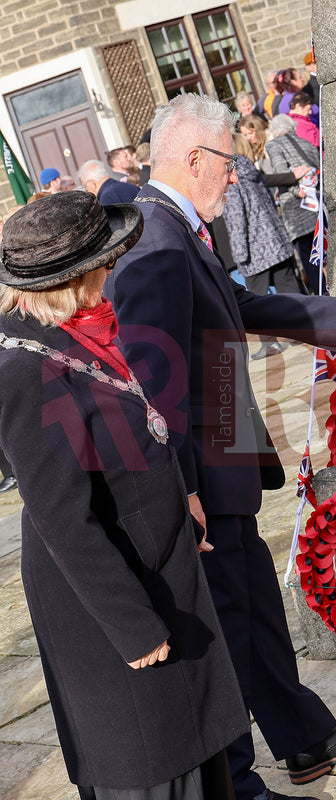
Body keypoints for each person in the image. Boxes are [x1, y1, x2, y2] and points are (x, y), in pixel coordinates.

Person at [105, 93, 336, 800]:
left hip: (224, 447)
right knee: (225, 620)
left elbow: (236, 308)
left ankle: (303, 737)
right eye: (230, 165)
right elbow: (154, 376)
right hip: (200, 461)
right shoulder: (153, 236)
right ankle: (236, 780)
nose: (236, 179)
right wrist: (181, 487)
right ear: (194, 157)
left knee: (254, 606)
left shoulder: (179, 227)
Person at [0, 191, 249, 800]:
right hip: (110, 601)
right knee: (152, 762)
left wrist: (178, 512)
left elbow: (124, 439)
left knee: (196, 749)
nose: (115, 272)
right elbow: (64, 519)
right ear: (72, 277)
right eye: (105, 263)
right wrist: (132, 626)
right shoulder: (22, 369)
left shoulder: (81, 328)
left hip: (156, 563)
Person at [223, 133, 304, 359]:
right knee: (289, 287)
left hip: (254, 248)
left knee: (255, 299)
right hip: (274, 240)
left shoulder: (230, 176)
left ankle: (270, 344)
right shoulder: (250, 169)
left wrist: (239, 252)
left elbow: (237, 216)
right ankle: (304, 330)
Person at [265, 114, 322, 294]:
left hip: (297, 211)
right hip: (317, 207)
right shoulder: (307, 144)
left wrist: (295, 191)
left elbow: (283, 174)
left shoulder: (273, 145)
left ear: (274, 132)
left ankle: (323, 298)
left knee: (310, 260)